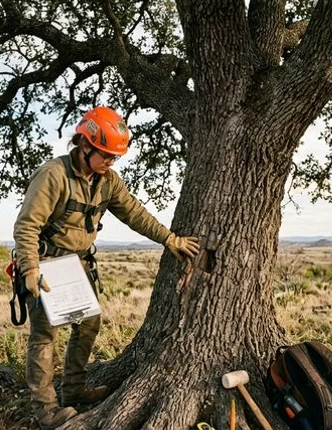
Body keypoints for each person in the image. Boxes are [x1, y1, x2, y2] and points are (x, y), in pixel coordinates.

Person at [13, 106, 200, 429]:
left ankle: (73, 390)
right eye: (106, 155)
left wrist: (169, 239)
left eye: (115, 157)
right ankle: (45, 409)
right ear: (84, 145)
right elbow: (27, 226)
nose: (111, 162)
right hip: (45, 264)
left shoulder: (108, 180)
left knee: (89, 324)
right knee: (44, 336)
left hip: (77, 265)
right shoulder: (53, 175)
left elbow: (134, 214)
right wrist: (30, 268)